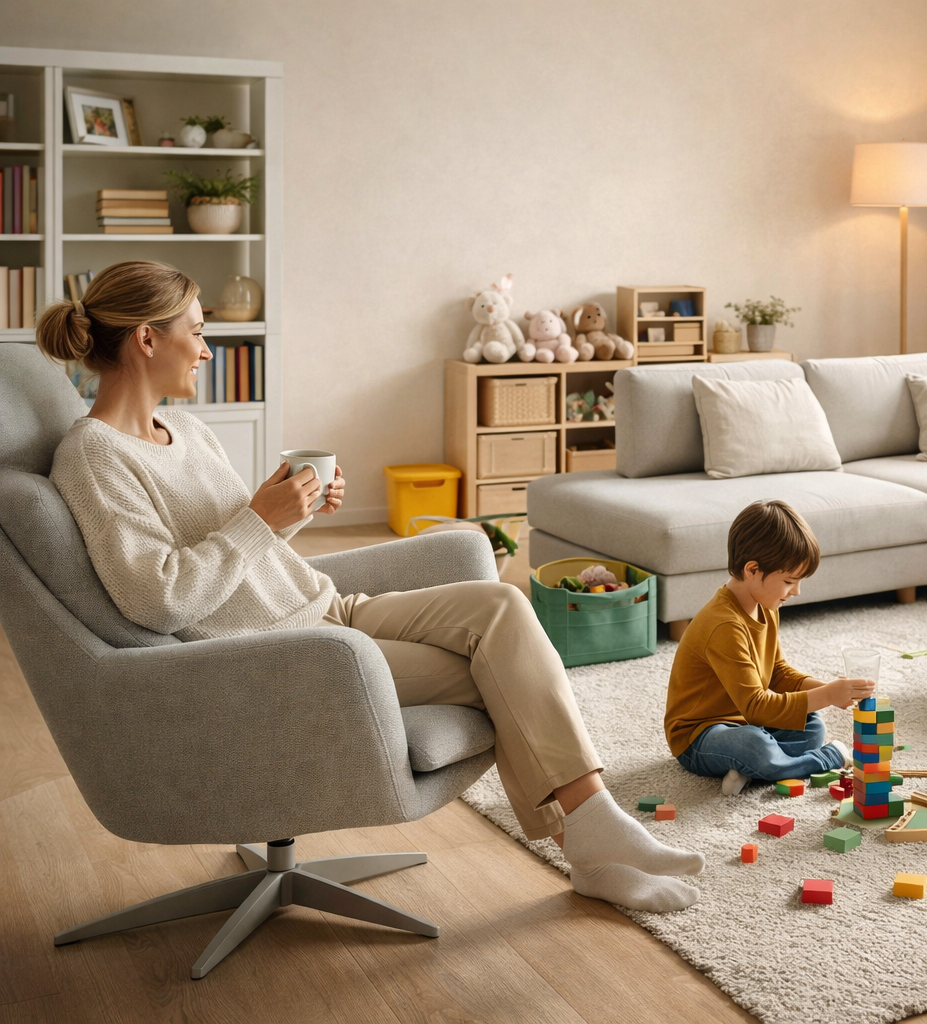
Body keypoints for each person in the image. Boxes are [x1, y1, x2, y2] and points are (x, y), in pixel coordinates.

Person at [37, 260, 704, 912]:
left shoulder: (186, 428)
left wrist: (291, 513)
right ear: (147, 339)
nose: (208, 350)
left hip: (327, 608)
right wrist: (260, 518)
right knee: (504, 672)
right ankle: (592, 842)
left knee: (502, 605)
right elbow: (157, 599)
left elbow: (243, 549)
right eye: (198, 332)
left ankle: (592, 837)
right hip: (284, 653)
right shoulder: (95, 456)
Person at [665, 500, 874, 796]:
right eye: (789, 581)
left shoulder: (766, 605)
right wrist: (827, 695)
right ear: (752, 569)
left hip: (750, 722)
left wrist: (830, 690)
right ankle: (820, 759)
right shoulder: (724, 625)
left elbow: (777, 672)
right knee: (753, 745)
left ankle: (753, 769)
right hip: (699, 735)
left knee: (812, 725)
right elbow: (757, 706)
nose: (797, 591)